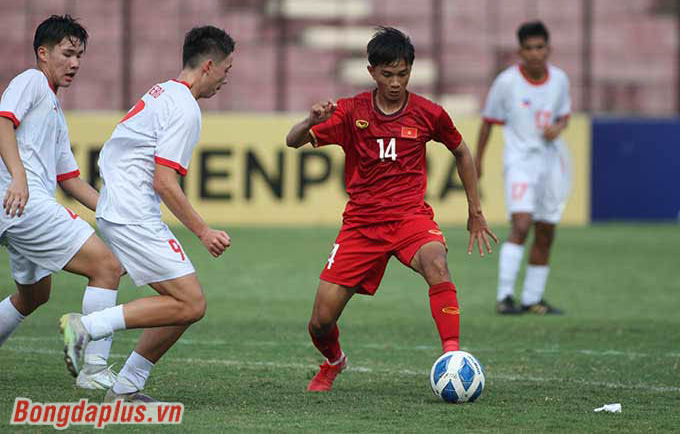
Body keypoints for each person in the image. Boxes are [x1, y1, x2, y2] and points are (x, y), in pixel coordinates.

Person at [286, 26, 498, 392]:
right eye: (387, 74)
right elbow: (292, 141)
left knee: (437, 263)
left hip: (409, 218)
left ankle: (453, 357)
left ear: (411, 71)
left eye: (403, 74)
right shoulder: (351, 112)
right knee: (320, 322)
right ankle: (334, 361)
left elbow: (462, 152)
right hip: (361, 226)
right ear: (372, 72)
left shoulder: (429, 114)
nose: (396, 82)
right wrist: (310, 121)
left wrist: (475, 210)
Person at [58, 25, 234, 403]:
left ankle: (126, 387)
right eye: (226, 69)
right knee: (191, 303)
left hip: (118, 207)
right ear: (208, 66)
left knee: (180, 305)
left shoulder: (162, 91)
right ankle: (87, 328)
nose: (225, 79)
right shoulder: (185, 107)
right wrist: (203, 231)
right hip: (133, 214)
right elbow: (165, 182)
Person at [0, 15, 122, 389]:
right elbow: (2, 121)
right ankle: (95, 370)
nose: (75, 64)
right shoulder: (32, 80)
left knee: (34, 295)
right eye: (68, 54)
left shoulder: (52, 108)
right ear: (43, 52)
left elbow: (69, 180)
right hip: (24, 203)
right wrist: (18, 176)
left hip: (17, 206)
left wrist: (116, 213)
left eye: (80, 56)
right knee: (108, 267)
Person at [475, 20, 572, 315]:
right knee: (521, 224)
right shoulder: (506, 82)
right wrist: (477, 161)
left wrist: (559, 126)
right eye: (529, 48)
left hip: (551, 162)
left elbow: (564, 115)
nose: (535, 53)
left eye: (540, 47)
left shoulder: (560, 80)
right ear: (520, 51)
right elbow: (488, 121)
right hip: (520, 162)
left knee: (546, 230)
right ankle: (505, 296)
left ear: (548, 48)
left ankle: (532, 299)